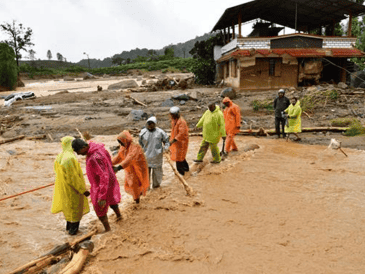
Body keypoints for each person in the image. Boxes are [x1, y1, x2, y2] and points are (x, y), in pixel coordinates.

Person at [72, 138, 122, 232]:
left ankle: (108, 230)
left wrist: (102, 196)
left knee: (99, 207)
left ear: (83, 147)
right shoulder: (99, 148)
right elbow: (108, 160)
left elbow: (103, 176)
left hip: (101, 184)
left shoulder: (94, 157)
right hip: (110, 178)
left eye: (78, 151)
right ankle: (119, 216)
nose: (78, 154)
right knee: (111, 199)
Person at [51, 136, 90, 235]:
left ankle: (68, 233)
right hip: (73, 190)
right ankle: (73, 237)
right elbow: (73, 178)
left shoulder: (60, 156)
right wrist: (83, 190)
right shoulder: (69, 158)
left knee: (69, 211)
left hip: (64, 188)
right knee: (75, 212)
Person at [112, 130, 149, 204]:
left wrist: (118, 167)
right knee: (131, 184)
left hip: (138, 168)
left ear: (125, 140)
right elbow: (119, 157)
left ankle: (137, 202)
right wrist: (109, 163)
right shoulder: (123, 146)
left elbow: (130, 158)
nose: (120, 143)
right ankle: (137, 199)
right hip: (129, 169)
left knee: (135, 184)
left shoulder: (135, 146)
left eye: (121, 141)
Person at [139, 116, 170, 189]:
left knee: (157, 173)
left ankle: (156, 187)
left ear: (155, 124)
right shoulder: (143, 133)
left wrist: (166, 148)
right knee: (146, 174)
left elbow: (167, 142)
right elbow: (139, 144)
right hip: (146, 156)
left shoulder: (160, 132)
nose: (150, 125)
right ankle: (146, 188)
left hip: (157, 156)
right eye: (149, 124)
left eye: (152, 124)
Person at [169, 106, 189, 176]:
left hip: (182, 142)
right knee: (181, 156)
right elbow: (174, 130)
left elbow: (181, 133)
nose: (172, 116)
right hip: (177, 141)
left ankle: (181, 173)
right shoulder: (174, 120)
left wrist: (173, 140)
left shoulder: (181, 122)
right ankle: (186, 169)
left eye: (173, 114)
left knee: (179, 157)